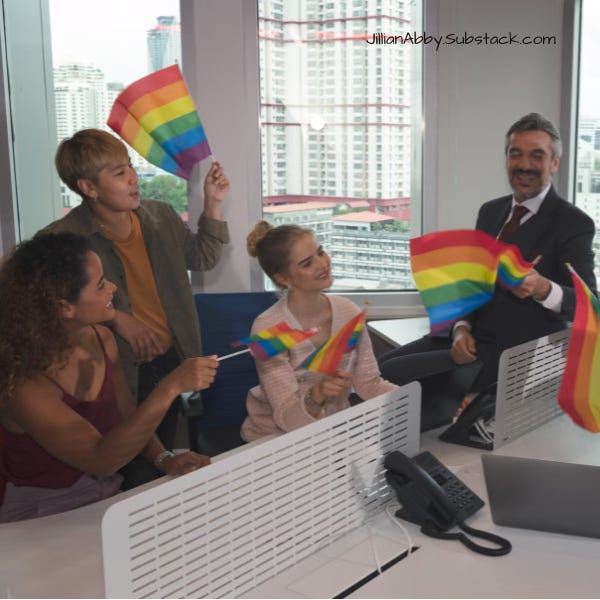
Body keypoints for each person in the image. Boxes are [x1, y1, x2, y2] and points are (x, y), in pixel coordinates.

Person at [379, 112, 597, 421]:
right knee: (376, 368)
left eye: (537, 155)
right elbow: (471, 283)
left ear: (555, 163)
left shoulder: (572, 222)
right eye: (515, 154)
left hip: (512, 353)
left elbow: (589, 303)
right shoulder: (491, 211)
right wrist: (460, 328)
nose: (524, 164)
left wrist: (542, 288)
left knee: (390, 374)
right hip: (468, 337)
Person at [0, 233, 219, 523]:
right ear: (65, 306)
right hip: (39, 514)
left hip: (105, 497)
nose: (112, 288)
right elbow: (100, 459)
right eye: (101, 284)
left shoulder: (102, 339)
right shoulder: (24, 383)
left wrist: (164, 458)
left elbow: (127, 419)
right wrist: (170, 387)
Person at [39, 128, 230, 450]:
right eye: (119, 172)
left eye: (130, 166)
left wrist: (212, 204)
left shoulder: (160, 215)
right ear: (88, 188)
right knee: (124, 461)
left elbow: (202, 258)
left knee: (165, 456)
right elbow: (48, 308)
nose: (133, 177)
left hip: (173, 355)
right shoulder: (62, 241)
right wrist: (117, 319)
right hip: (116, 371)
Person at [240, 221, 398, 441]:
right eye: (307, 263)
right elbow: (286, 418)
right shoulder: (268, 328)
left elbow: (368, 384)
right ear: (283, 278)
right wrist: (318, 393)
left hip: (332, 431)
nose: (323, 264)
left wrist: (412, 401)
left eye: (321, 252)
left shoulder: (348, 311)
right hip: (275, 437)